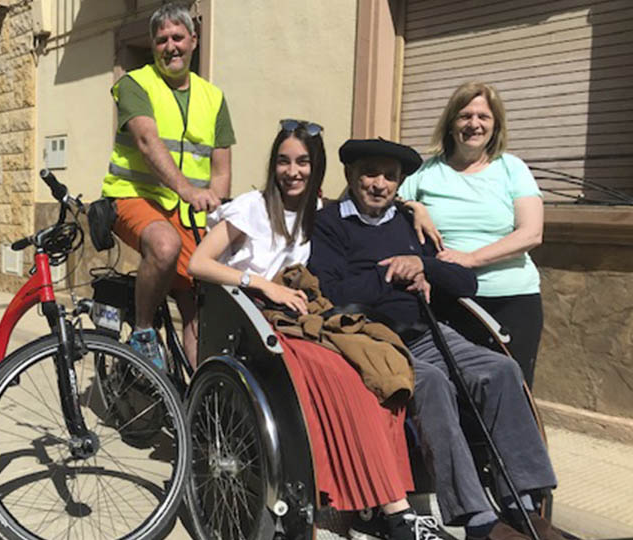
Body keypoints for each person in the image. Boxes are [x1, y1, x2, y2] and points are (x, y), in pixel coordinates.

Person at [189, 122, 447, 540]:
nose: (293, 171)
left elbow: (375, 197)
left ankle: (375, 504)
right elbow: (198, 264)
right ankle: (396, 513)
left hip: (308, 315)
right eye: (284, 161)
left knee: (378, 373)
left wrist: (417, 208)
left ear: (318, 167)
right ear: (273, 165)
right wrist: (263, 284)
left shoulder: (319, 211)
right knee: (343, 377)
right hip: (259, 315)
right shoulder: (253, 206)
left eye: (303, 162)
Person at [309, 138, 562, 540]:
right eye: (370, 173)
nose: (379, 184)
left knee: (500, 368)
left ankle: (524, 502)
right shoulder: (331, 222)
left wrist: (424, 264)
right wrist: (390, 271)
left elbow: (465, 280)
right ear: (350, 176)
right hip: (372, 341)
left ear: (399, 184)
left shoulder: (410, 221)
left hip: (427, 331)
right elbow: (332, 290)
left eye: (390, 177)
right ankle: (476, 516)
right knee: (431, 383)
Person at [101, 2, 233, 367]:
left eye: (178, 37)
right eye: (161, 40)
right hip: (132, 197)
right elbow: (146, 142)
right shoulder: (134, 84)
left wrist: (216, 211)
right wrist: (188, 191)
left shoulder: (214, 97)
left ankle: (201, 394)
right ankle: (143, 331)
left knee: (202, 295)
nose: (170, 46)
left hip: (187, 213)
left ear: (194, 39)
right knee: (164, 244)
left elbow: (221, 170)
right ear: (153, 44)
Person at [400, 82, 544, 387]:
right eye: (465, 116)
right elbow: (386, 204)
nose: (474, 124)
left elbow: (531, 233)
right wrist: (414, 207)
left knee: (512, 390)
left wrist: (470, 259)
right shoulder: (425, 173)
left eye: (483, 117)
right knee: (457, 390)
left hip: (512, 300)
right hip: (450, 300)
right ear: (451, 123)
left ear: (495, 126)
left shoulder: (512, 169)